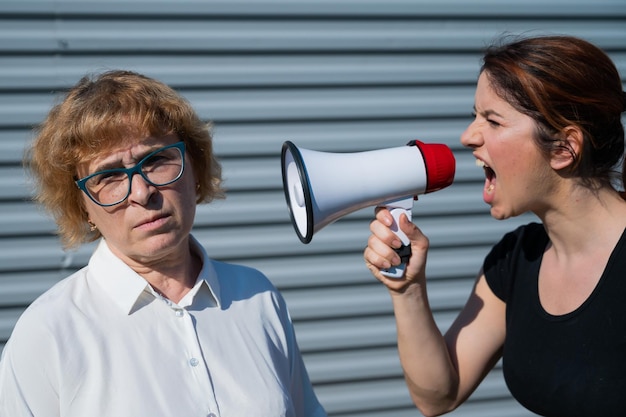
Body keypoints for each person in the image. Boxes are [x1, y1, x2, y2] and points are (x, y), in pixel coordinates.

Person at [0, 70, 326, 417]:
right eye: (109, 175)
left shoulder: (257, 297)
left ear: (194, 167)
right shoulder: (49, 332)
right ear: (82, 204)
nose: (141, 192)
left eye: (155, 160)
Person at [364, 35, 626, 416]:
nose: (468, 136)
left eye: (492, 120)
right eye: (475, 116)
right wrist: (407, 290)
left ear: (564, 149)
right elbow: (439, 395)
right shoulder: (515, 260)